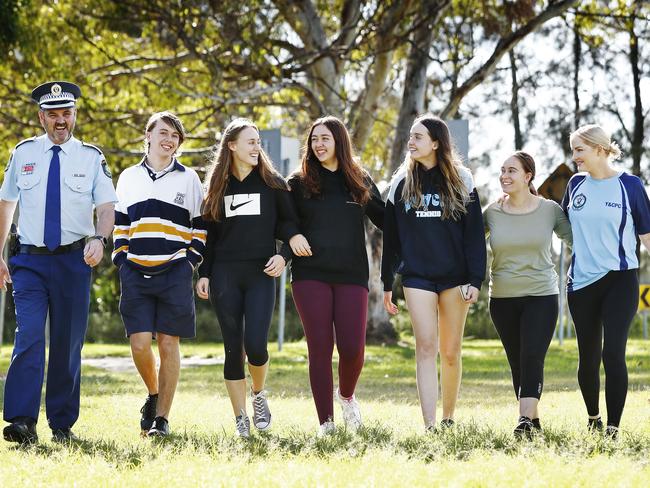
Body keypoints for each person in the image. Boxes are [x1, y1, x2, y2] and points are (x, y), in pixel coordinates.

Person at [0, 81, 116, 444]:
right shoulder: (23, 153)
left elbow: (107, 207)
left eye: (67, 113)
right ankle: (21, 421)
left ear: (75, 115)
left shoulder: (92, 157)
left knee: (67, 343)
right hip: (29, 262)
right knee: (30, 335)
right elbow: (6, 204)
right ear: (41, 117)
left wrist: (100, 239)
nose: (60, 120)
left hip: (73, 261)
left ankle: (62, 424)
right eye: (53, 114)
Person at [196, 118, 300, 438]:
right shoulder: (218, 187)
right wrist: (205, 273)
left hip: (259, 274)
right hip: (226, 274)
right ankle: (240, 418)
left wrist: (284, 256)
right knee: (232, 348)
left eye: (258, 141)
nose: (257, 147)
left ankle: (258, 394)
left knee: (256, 345)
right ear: (232, 146)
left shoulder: (273, 184)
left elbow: (290, 227)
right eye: (250, 141)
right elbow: (210, 236)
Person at [382, 114, 485, 431]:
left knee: (450, 352)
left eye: (418, 137)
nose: (410, 142)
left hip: (456, 278)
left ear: (436, 143)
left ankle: (448, 419)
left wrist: (475, 279)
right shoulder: (400, 183)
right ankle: (429, 425)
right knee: (425, 348)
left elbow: (473, 235)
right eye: (410, 136)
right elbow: (392, 239)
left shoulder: (462, 179)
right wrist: (388, 283)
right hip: (418, 277)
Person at [288, 115, 384, 435]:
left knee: (354, 348)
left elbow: (386, 218)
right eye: (314, 138)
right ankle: (326, 424)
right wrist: (291, 237)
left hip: (351, 275)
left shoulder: (358, 179)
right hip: (309, 273)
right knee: (319, 346)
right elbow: (284, 220)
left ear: (339, 141)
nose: (318, 144)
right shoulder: (298, 182)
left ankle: (346, 396)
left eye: (325, 138)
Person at [112, 111, 206, 437]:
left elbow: (201, 224)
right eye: (163, 133)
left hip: (175, 271)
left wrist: (190, 261)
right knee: (139, 345)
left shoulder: (189, 179)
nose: (169, 141)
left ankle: (162, 420)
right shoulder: (127, 177)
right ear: (148, 136)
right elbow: (120, 223)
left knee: (168, 343)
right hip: (134, 270)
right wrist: (120, 258)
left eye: (175, 137)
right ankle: (153, 394)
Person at [562, 124, 650, 438]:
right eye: (573, 150)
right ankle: (593, 419)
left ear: (600, 150)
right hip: (582, 282)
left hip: (621, 280)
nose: (575, 157)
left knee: (612, 353)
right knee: (587, 355)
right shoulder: (574, 185)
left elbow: (647, 235)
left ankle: (613, 428)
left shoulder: (630, 185)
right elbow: (563, 228)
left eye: (579, 150)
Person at [484, 151, 572, 437]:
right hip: (502, 299)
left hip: (541, 296)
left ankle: (522, 420)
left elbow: (577, 239)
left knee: (532, 355)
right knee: (517, 360)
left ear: (528, 176)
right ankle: (532, 422)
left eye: (511, 170)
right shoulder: (492, 212)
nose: (504, 176)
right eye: (502, 171)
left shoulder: (549, 210)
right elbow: (468, 246)